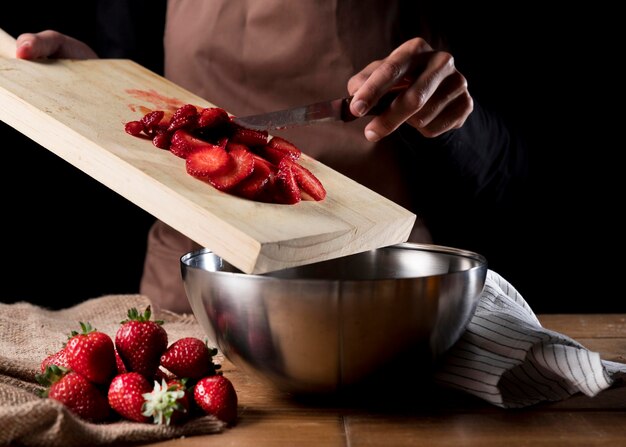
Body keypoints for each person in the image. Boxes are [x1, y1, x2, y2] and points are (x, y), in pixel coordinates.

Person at [14, 2, 527, 313]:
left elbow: (508, 174)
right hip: (189, 300)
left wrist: (454, 120)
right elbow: (128, 74)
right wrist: (93, 83)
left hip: (377, 298)